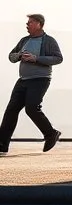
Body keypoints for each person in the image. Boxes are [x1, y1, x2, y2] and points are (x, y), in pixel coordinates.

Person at [0, 14, 63, 156]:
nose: (27, 25)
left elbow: (58, 58)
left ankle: (51, 134)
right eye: (27, 23)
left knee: (32, 108)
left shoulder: (48, 41)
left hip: (40, 80)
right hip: (23, 80)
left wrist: (36, 58)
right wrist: (19, 56)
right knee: (11, 110)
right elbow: (11, 56)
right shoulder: (24, 40)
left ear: (39, 24)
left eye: (30, 22)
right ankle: (1, 144)